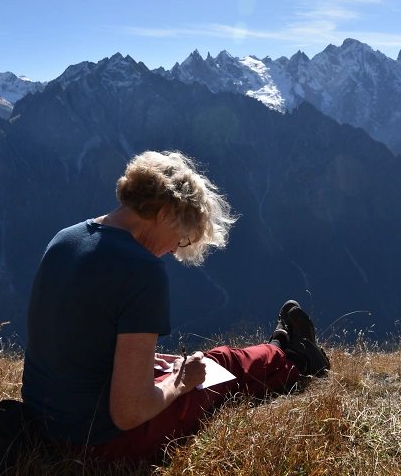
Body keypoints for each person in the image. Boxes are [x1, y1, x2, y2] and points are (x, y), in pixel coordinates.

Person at [21, 150, 330, 463]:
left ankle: (279, 348)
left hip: (42, 423)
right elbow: (129, 413)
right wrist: (181, 382)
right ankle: (299, 360)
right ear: (165, 214)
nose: (172, 250)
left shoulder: (66, 239)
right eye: (180, 239)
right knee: (219, 367)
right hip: (100, 440)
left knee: (177, 362)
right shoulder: (141, 269)